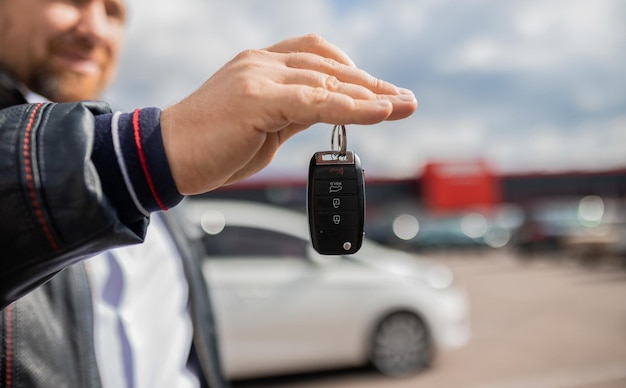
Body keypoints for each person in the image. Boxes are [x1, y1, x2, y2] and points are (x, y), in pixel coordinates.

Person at [0, 0, 417, 387]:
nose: (93, 28)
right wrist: (142, 154)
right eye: (70, 1)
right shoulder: (145, 153)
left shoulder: (154, 180)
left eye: (113, 12)